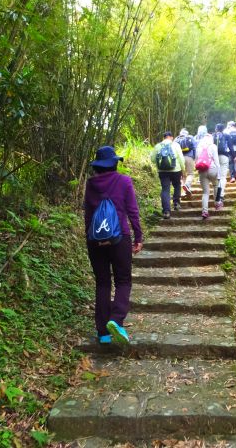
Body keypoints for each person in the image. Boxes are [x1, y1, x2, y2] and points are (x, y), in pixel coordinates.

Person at [84, 146, 143, 346]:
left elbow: (88, 215)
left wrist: (89, 240)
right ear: (115, 163)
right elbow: (132, 211)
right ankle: (116, 320)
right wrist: (138, 237)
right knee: (123, 280)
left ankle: (103, 333)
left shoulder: (90, 184)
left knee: (102, 283)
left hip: (95, 240)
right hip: (120, 239)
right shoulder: (124, 181)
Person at [151, 131, 186, 219]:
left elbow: (152, 159)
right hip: (176, 169)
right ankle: (176, 203)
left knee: (165, 189)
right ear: (171, 137)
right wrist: (183, 171)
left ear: (164, 137)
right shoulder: (176, 145)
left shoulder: (158, 146)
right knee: (177, 185)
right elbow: (181, 159)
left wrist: (161, 164)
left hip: (162, 171)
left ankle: (166, 211)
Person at [195, 126, 222, 219]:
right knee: (215, 185)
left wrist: (198, 172)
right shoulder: (213, 146)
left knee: (205, 192)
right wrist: (219, 174)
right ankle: (217, 203)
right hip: (212, 169)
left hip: (202, 170)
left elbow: (196, 160)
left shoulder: (198, 147)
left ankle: (205, 211)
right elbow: (217, 161)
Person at [213, 123, 235, 204]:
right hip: (224, 157)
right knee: (222, 177)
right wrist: (234, 156)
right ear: (223, 129)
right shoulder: (226, 135)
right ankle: (220, 195)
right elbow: (230, 147)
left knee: (215, 177)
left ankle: (215, 196)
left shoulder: (212, 136)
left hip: (214, 158)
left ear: (216, 129)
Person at [174, 128, 196, 197]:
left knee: (182, 175)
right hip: (189, 157)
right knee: (190, 174)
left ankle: (184, 190)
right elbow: (194, 147)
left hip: (179, 159)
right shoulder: (190, 137)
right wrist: (194, 157)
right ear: (187, 133)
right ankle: (187, 185)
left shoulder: (176, 139)